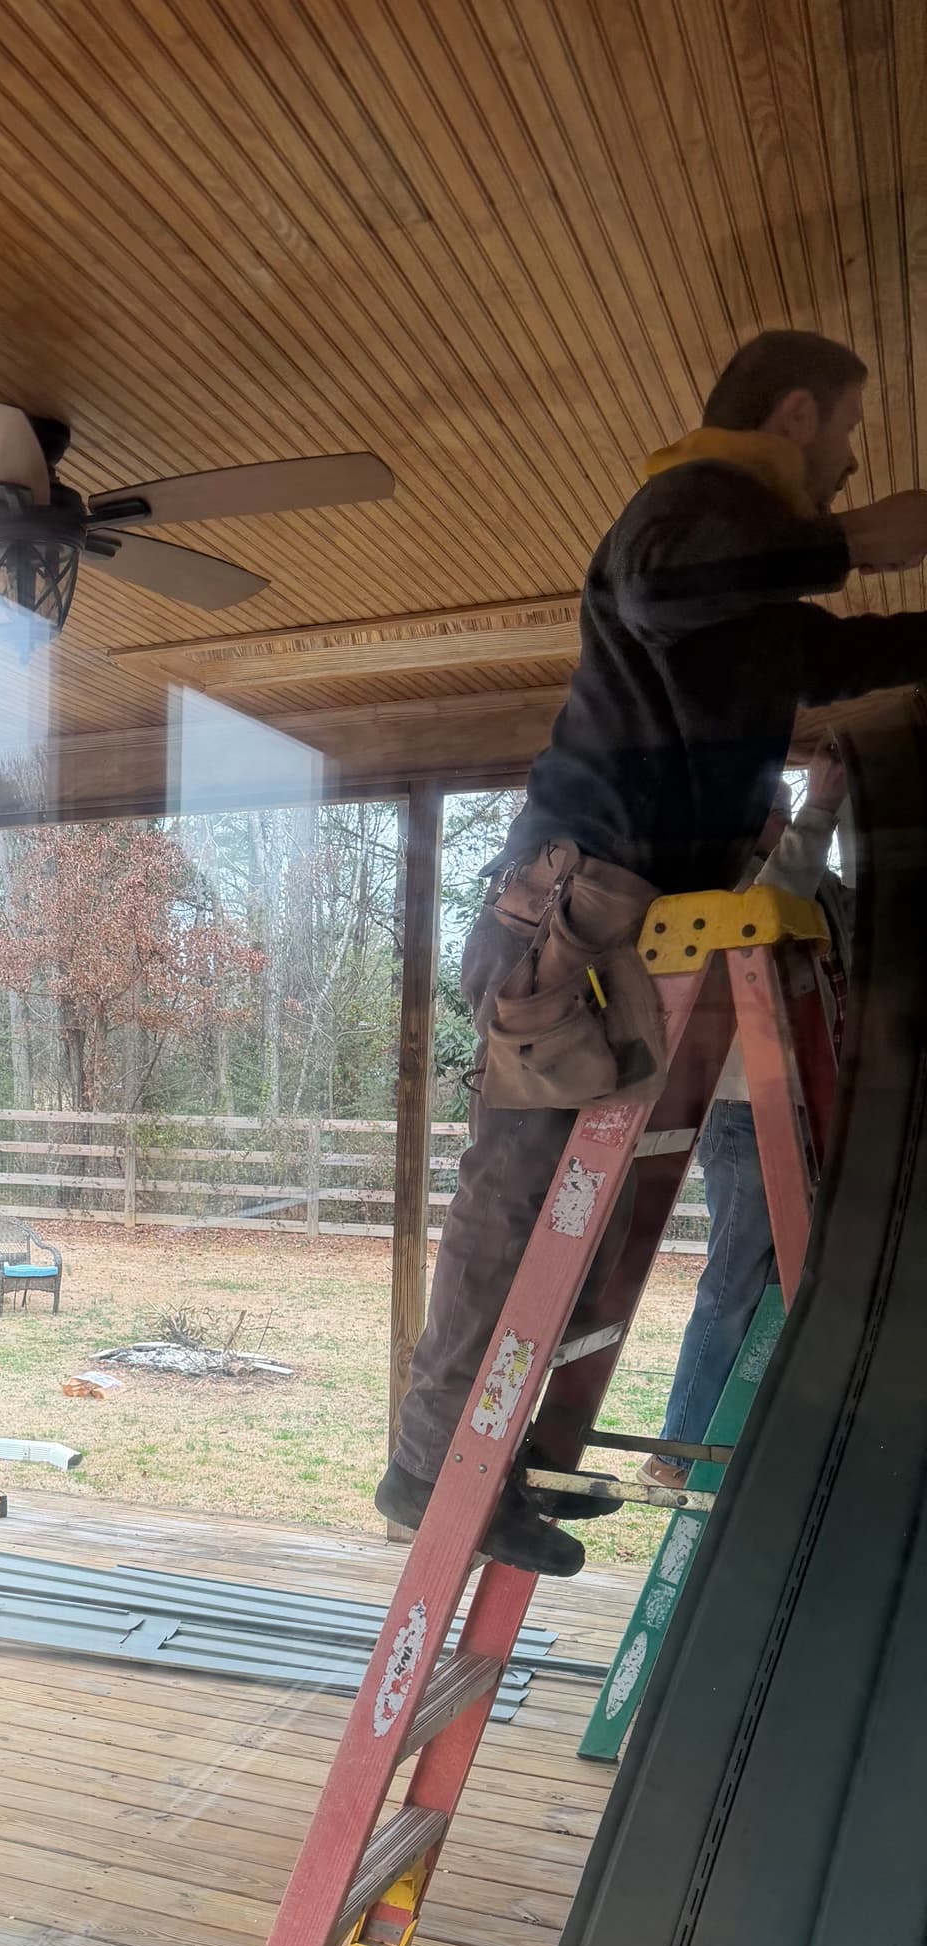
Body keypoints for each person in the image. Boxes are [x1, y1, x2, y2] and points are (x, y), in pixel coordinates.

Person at [379, 329, 927, 1575]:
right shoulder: (688, 509)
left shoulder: (746, 583)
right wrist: (862, 544)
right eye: (844, 431)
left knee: (580, 1206)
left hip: (623, 921)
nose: (849, 462)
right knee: (515, 1201)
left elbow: (823, 658)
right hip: (572, 922)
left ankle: (495, 1459)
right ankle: (426, 1472)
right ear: (795, 414)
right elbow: (660, 586)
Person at [641, 757, 846, 1491]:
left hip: (790, 1109)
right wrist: (823, 808)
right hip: (746, 1113)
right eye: (776, 810)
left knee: (766, 1288)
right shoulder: (727, 884)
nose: (786, 820)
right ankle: (679, 1449)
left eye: (789, 809)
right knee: (732, 1288)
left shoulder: (806, 878)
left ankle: (729, 1434)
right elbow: (766, 906)